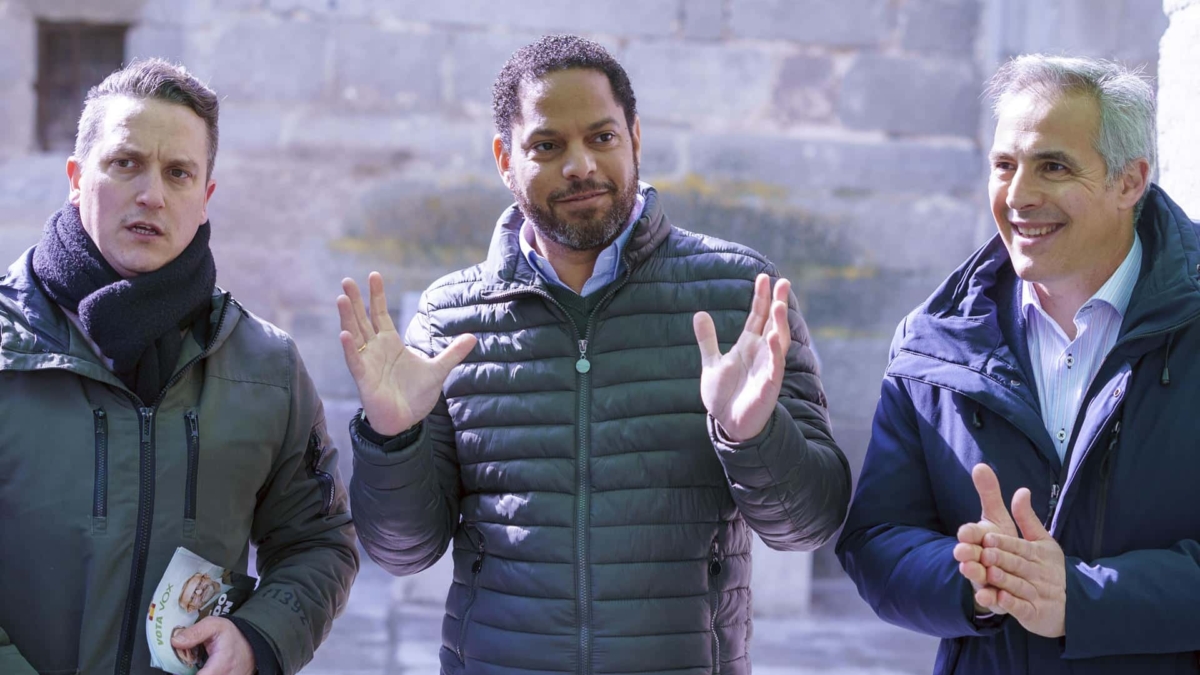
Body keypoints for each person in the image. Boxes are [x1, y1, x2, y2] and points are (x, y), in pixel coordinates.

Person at [340, 34, 851, 675]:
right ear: (504, 159)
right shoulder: (449, 319)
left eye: (602, 137)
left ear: (634, 137)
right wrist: (392, 438)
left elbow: (808, 526)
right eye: (547, 145)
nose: (580, 165)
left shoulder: (740, 295)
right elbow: (402, 551)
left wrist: (752, 436)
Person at [836, 54, 1200, 673]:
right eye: (1004, 166)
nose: (1018, 196)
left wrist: (1081, 598)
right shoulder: (932, 342)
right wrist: (974, 581)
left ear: (1129, 182)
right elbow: (875, 540)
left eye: (1053, 167)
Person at [0, 59, 358, 675]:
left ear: (205, 198)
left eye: (178, 173)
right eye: (125, 163)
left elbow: (318, 542)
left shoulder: (267, 367)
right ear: (76, 177)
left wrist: (258, 638)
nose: (152, 195)